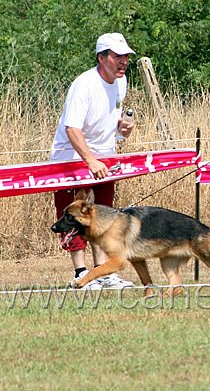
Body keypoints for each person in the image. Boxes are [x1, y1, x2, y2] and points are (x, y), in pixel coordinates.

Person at [50, 33, 136, 289]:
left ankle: (103, 272)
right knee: (74, 215)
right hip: (73, 157)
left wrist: (123, 128)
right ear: (101, 58)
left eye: (126, 58)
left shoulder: (122, 82)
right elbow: (72, 128)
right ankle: (80, 273)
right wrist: (89, 160)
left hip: (105, 156)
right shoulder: (84, 84)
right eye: (117, 57)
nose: (123, 62)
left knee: (103, 216)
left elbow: (111, 117)